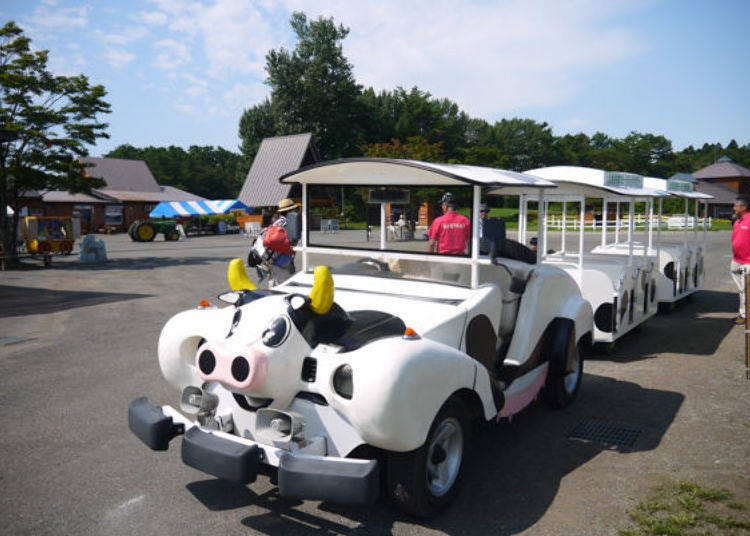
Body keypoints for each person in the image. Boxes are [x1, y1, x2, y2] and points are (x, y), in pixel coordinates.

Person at [730, 195, 750, 324]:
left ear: (744, 207)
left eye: (736, 205)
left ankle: (744, 315)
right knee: (742, 289)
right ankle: (744, 313)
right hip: (736, 261)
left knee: (745, 289)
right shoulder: (737, 221)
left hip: (748, 262)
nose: (733, 208)